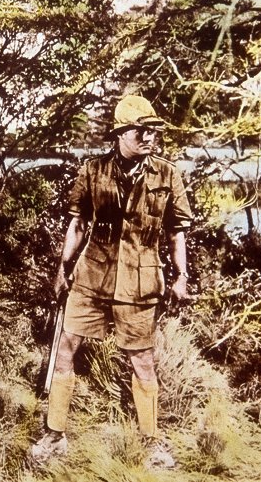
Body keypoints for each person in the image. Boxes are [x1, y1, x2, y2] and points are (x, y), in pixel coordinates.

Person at [32, 95, 193, 467]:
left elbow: (176, 233)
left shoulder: (168, 175)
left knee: (142, 360)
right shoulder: (93, 171)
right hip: (91, 275)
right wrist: (62, 268)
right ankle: (55, 434)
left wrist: (182, 276)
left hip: (140, 281)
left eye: (153, 130)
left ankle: (151, 441)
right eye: (142, 130)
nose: (150, 137)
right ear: (121, 133)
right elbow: (77, 224)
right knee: (66, 347)